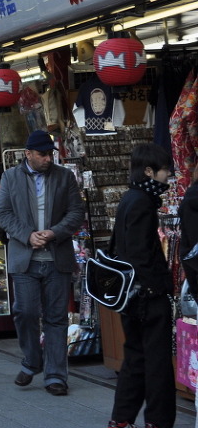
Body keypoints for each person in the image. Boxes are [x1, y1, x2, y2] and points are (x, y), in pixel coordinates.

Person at [0, 130, 85, 396]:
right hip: (25, 258)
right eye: (42, 154)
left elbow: (76, 212)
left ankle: (56, 376)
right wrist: (26, 235)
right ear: (28, 154)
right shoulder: (10, 177)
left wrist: (55, 232)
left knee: (56, 318)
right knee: (25, 312)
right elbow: (3, 212)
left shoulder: (64, 176)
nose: (47, 159)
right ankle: (32, 360)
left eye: (50, 154)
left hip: (57, 258)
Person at [107, 143, 175, 428]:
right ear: (149, 171)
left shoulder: (130, 199)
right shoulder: (143, 203)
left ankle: (122, 419)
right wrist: (157, 286)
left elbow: (117, 247)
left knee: (135, 357)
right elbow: (140, 253)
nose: (168, 177)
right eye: (164, 172)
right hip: (147, 295)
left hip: (130, 294)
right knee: (157, 361)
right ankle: (157, 421)